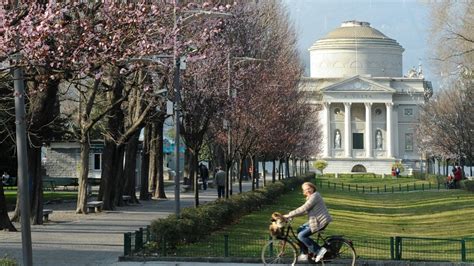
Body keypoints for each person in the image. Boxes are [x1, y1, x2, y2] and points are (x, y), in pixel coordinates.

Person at [283, 182, 332, 263]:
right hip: (315, 221)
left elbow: (304, 208)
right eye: (305, 189)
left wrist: (289, 215)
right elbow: (305, 211)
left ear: (313, 188)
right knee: (300, 229)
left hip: (321, 221)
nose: (307, 190)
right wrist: (292, 216)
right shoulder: (310, 198)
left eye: (309, 188)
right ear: (304, 192)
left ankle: (319, 251)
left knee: (301, 236)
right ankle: (304, 254)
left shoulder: (315, 196)